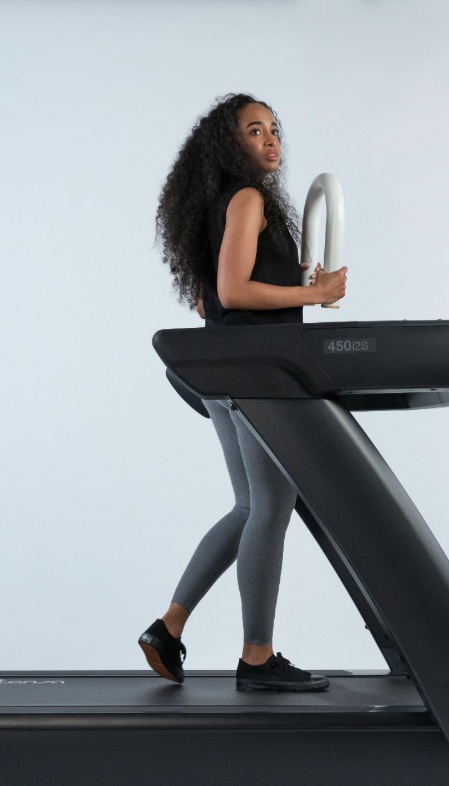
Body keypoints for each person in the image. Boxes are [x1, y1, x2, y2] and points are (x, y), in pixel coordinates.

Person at [140, 94, 348, 692]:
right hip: (254, 377)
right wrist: (316, 293)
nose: (271, 138)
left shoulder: (224, 205)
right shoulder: (248, 198)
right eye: (255, 131)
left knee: (250, 507)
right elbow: (233, 293)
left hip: (228, 373)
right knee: (271, 508)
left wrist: (294, 282)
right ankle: (257, 658)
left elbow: (218, 293)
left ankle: (168, 627)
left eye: (274, 128)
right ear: (230, 146)